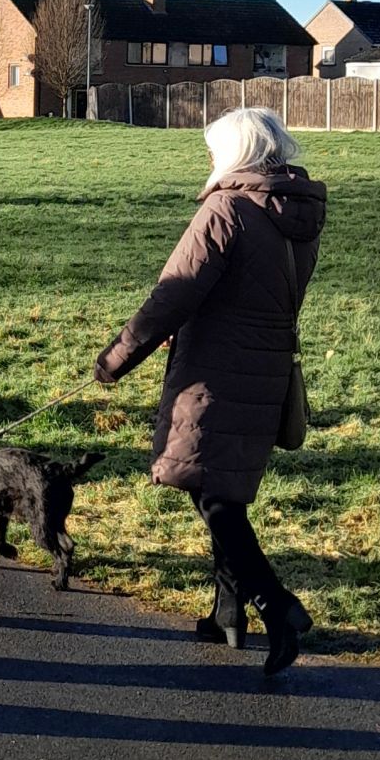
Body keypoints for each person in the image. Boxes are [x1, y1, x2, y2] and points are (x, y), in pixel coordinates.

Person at [93, 107, 326, 677]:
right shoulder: (298, 212)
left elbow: (173, 293)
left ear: (234, 152)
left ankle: (275, 605)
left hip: (216, 370)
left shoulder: (226, 209)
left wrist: (115, 359)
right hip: (268, 368)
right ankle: (227, 613)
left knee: (211, 495)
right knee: (223, 488)